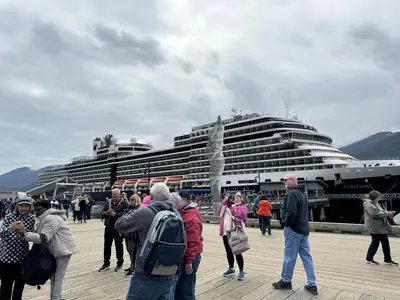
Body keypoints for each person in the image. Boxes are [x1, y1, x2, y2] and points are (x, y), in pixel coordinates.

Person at [115, 183, 183, 300]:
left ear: (151, 196)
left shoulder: (145, 212)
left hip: (146, 272)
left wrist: (136, 209)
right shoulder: (176, 214)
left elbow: (119, 224)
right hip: (169, 271)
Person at [23, 200, 78, 300]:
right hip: (57, 249)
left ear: (46, 208)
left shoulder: (51, 218)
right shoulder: (46, 217)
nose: (37, 212)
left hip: (62, 251)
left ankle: (55, 298)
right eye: (35, 210)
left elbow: (43, 238)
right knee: (55, 277)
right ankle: (57, 297)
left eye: (39, 209)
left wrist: (24, 234)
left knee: (57, 278)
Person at [272, 174, 318, 295]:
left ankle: (286, 281)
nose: (284, 183)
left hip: (294, 229)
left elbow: (291, 212)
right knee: (307, 257)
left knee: (289, 256)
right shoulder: (303, 193)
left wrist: (286, 223)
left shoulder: (292, 193)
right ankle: (312, 284)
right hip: (304, 229)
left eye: (285, 180)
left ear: (293, 180)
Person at [0, 194, 35, 300]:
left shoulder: (31, 219)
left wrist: (23, 233)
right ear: (17, 206)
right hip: (7, 257)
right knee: (6, 285)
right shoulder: (10, 217)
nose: (23, 208)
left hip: (22, 256)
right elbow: (1, 234)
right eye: (21, 206)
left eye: (26, 206)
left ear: (30, 207)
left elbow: (32, 235)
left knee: (20, 285)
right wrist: (11, 227)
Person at [173, 190, 203, 300]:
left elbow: (193, 240)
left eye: (177, 201)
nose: (175, 204)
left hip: (190, 256)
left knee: (186, 291)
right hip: (187, 255)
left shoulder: (190, 217)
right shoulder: (185, 212)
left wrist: (189, 261)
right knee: (181, 288)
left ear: (185, 201)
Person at [218, 192, 247, 281]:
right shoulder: (228, 207)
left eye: (238, 197)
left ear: (241, 198)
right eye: (234, 197)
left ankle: (241, 270)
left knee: (237, 251)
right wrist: (224, 203)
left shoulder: (242, 207)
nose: (236, 198)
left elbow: (240, 216)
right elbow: (220, 214)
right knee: (228, 251)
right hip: (226, 232)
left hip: (235, 232)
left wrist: (230, 207)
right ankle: (231, 268)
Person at [364, 190, 398, 266]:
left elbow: (380, 212)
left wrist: (387, 212)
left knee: (384, 243)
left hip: (380, 227)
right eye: (378, 196)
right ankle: (369, 258)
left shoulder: (376, 203)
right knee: (375, 243)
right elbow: (374, 214)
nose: (380, 198)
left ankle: (387, 259)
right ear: (375, 197)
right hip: (375, 227)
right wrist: (387, 213)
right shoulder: (368, 204)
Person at [98, 188, 129, 272]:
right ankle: (106, 263)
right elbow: (101, 213)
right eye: (112, 194)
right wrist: (107, 212)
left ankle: (120, 263)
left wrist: (116, 214)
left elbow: (127, 215)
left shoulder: (125, 203)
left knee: (119, 246)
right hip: (108, 227)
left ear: (119, 195)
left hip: (118, 228)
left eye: (115, 194)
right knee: (107, 246)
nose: (113, 196)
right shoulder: (108, 202)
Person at [124, 192, 142, 276]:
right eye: (130, 200)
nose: (130, 201)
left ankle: (133, 267)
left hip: (133, 234)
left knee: (133, 251)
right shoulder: (131, 209)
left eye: (132, 200)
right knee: (129, 250)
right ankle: (132, 265)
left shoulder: (138, 210)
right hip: (128, 234)